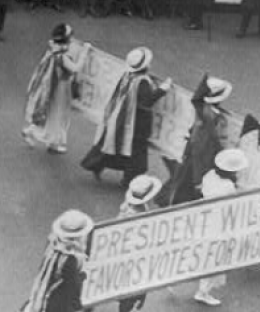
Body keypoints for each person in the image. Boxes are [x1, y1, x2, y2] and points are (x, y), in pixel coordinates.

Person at [5, 209, 94, 312]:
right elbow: (73, 284)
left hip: (47, 295)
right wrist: (78, 298)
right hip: (61, 302)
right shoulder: (71, 259)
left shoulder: (53, 246)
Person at [82, 175, 164, 312]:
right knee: (131, 291)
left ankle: (90, 304)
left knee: (105, 281)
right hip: (130, 258)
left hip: (114, 252)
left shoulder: (126, 206)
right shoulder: (140, 216)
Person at [81, 47, 171, 185]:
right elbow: (146, 101)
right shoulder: (142, 82)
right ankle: (129, 179)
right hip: (137, 122)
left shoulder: (128, 76)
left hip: (124, 118)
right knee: (136, 153)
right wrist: (162, 90)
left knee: (118, 147)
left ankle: (96, 164)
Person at [159, 74, 236, 207]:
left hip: (191, 152)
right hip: (203, 155)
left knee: (181, 180)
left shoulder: (202, 109)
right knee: (194, 184)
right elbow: (217, 142)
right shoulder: (217, 119)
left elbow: (196, 99)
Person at [192, 148, 249, 306]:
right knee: (214, 258)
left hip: (204, 218)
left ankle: (201, 287)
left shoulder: (209, 176)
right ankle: (203, 291)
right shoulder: (228, 187)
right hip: (218, 224)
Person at [22, 23, 88, 153]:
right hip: (60, 88)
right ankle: (46, 139)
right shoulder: (62, 56)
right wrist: (85, 52)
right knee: (57, 115)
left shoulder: (53, 49)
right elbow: (75, 68)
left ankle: (47, 138)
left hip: (54, 86)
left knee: (53, 114)